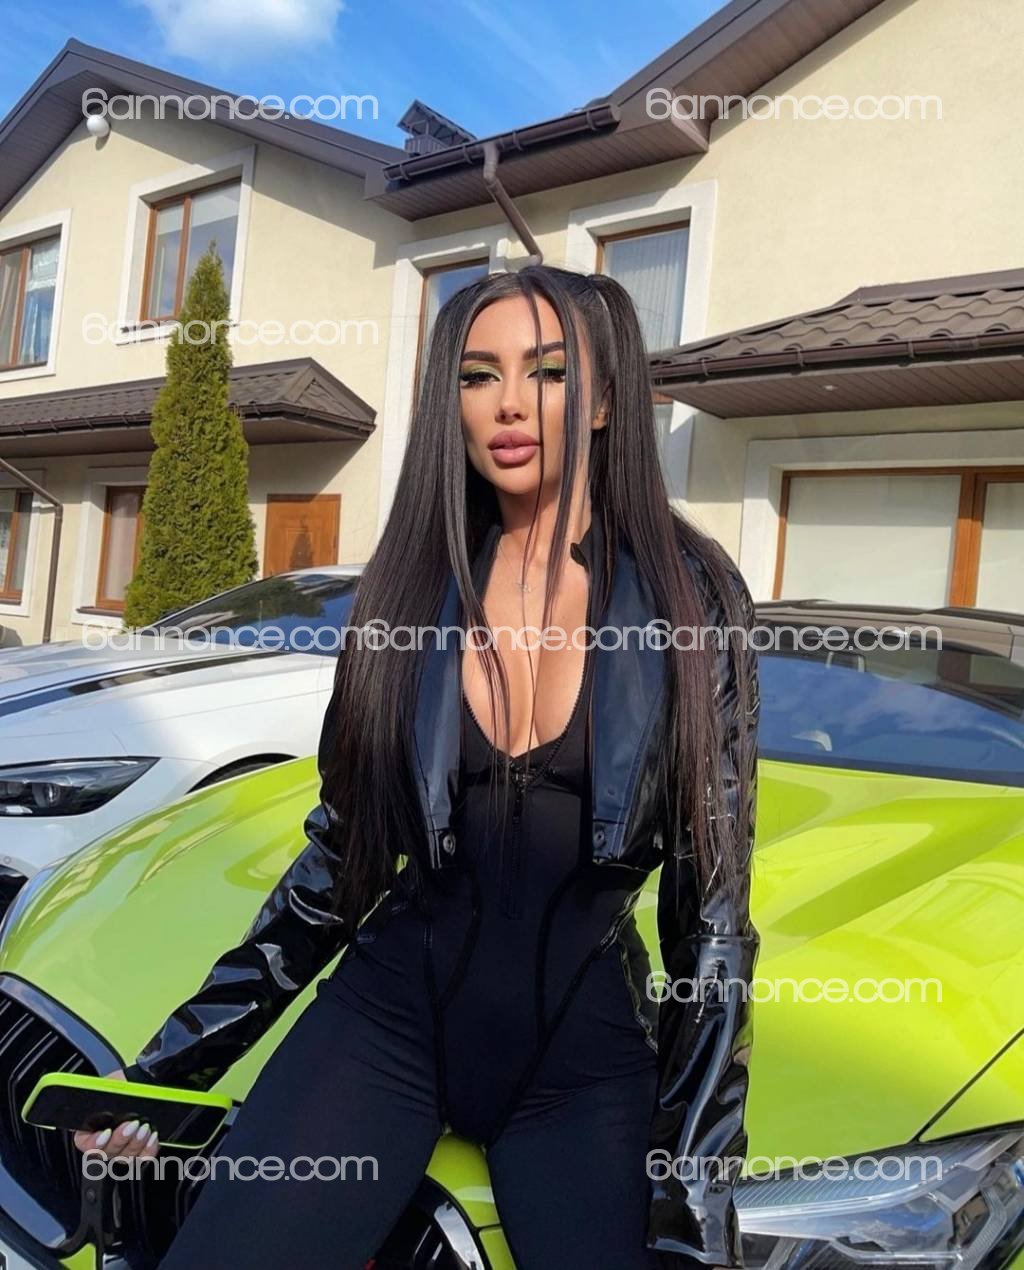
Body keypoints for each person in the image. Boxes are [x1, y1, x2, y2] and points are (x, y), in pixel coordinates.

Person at [74, 264, 761, 1269]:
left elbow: (711, 925)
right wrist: (170, 1069)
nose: (509, 404)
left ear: (606, 400)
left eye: (549, 372)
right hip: (386, 1021)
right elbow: (337, 863)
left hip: (580, 1064)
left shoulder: (692, 598)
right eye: (478, 375)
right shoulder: (408, 587)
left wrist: (695, 1211)